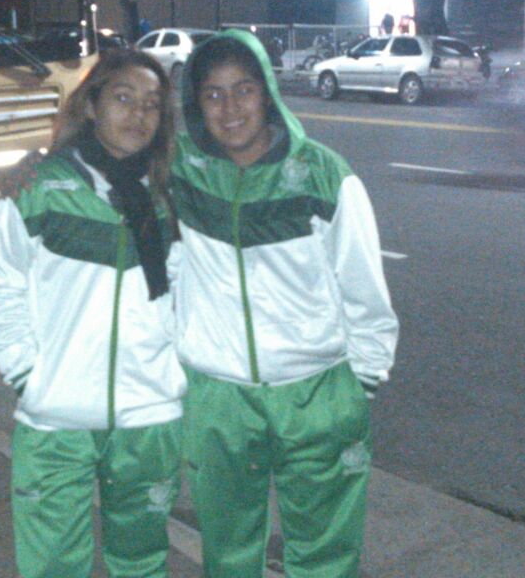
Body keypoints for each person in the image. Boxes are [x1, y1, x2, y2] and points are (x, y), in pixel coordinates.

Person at [169, 30, 399, 577]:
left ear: (267, 92)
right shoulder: (179, 171)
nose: (230, 109)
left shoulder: (323, 175)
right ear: (196, 104)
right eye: (213, 94)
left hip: (316, 393)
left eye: (243, 90)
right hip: (217, 396)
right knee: (227, 552)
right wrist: (32, 164)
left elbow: (363, 288)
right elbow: (101, 158)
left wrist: (358, 385)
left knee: (324, 555)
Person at [0, 49, 185, 578]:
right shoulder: (41, 188)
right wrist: (27, 373)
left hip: (149, 414)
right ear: (91, 105)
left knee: (141, 562)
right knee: (52, 565)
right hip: (55, 417)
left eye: (152, 104)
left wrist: (174, 371)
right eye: (123, 98)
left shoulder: (174, 193)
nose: (139, 114)